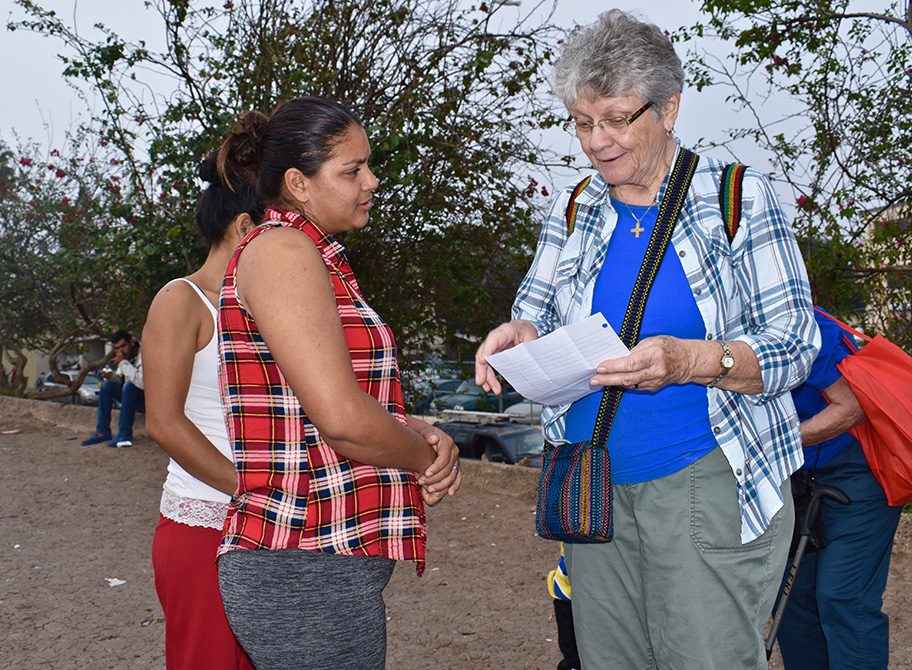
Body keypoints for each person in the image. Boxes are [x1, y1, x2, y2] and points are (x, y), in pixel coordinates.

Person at [474, 10, 820, 669]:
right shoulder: (575, 205)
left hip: (707, 483)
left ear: (669, 108)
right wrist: (516, 334)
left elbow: (796, 346)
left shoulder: (738, 198)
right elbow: (535, 310)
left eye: (616, 118)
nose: (596, 141)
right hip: (594, 485)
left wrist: (690, 360)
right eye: (582, 122)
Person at [212, 96, 461, 670]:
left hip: (316, 563)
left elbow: (318, 405)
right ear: (298, 183)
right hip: (301, 562)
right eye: (352, 170)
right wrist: (423, 454)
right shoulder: (282, 251)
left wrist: (418, 429)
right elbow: (342, 420)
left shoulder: (307, 254)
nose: (372, 181)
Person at [142, 151, 264, 670]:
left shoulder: (267, 307)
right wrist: (254, 493)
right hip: (205, 531)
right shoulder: (182, 301)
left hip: (269, 530)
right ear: (243, 227)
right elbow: (164, 423)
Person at [775, 307, 903, 669]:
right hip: (795, 472)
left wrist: (778, 441)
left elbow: (854, 407)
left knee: (843, 596)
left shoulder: (802, 322)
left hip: (858, 465)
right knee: (792, 599)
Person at [81, 330, 144, 447]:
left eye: (123, 346)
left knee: (130, 386)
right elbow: (121, 380)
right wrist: (111, 377)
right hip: (132, 399)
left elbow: (141, 383)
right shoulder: (125, 357)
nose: (121, 351)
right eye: (118, 348)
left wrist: (123, 363)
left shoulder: (145, 354)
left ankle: (125, 434)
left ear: (131, 342)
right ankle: (102, 431)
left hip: (149, 402)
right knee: (106, 386)